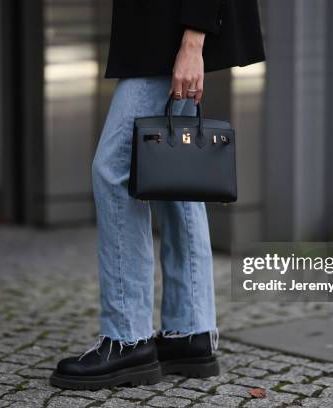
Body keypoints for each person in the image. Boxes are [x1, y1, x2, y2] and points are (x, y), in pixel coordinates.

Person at [50, 0, 265, 390]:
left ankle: (127, 337)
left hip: (172, 29)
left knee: (114, 170)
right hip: (165, 29)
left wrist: (193, 41)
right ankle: (190, 330)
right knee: (172, 172)